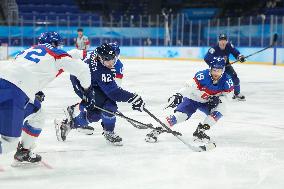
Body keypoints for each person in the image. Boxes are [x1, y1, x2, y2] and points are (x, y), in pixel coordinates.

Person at [0, 31, 92, 163]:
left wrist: (34, 90)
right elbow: (82, 69)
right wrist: (88, 90)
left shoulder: (27, 50)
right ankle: (22, 150)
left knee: (38, 114)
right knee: (8, 142)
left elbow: (25, 70)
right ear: (55, 44)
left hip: (5, 82)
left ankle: (24, 151)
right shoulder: (57, 54)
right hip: (16, 92)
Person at [55, 43, 145, 146]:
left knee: (97, 114)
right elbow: (113, 93)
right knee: (108, 107)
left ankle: (67, 125)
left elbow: (75, 53)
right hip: (82, 83)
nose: (111, 63)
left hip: (91, 81)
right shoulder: (101, 70)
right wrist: (133, 98)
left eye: (113, 59)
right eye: (107, 60)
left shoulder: (96, 54)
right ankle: (106, 130)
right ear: (100, 58)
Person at [145, 57, 234, 143]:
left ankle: (200, 131)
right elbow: (189, 86)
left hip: (208, 102)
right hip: (193, 100)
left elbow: (227, 96)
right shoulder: (202, 75)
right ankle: (156, 130)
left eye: (219, 71)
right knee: (181, 116)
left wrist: (218, 99)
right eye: (214, 70)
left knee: (222, 109)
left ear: (223, 71)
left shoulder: (227, 81)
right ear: (210, 69)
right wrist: (179, 94)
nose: (216, 73)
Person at [67, 42, 124, 135]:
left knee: (100, 105)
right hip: (79, 78)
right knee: (93, 103)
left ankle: (76, 112)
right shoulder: (96, 54)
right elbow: (75, 53)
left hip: (92, 81)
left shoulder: (118, 66)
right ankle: (75, 109)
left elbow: (114, 87)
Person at [204, 33, 246, 101]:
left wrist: (240, 57)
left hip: (226, 66)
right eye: (221, 40)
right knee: (215, 81)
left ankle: (237, 94)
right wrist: (214, 65)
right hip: (216, 68)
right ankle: (211, 95)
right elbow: (206, 58)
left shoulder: (229, 46)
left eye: (224, 40)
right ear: (218, 41)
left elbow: (236, 53)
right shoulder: (213, 48)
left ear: (227, 41)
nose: (223, 42)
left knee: (235, 78)